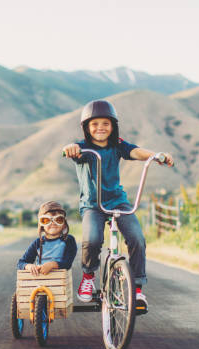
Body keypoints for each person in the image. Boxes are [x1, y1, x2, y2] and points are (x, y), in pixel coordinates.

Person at [62, 100, 174, 312]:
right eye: (94, 124)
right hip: (93, 205)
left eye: (105, 123)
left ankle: (138, 289)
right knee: (92, 239)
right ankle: (88, 276)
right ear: (86, 128)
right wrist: (70, 149)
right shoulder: (83, 148)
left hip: (118, 202)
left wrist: (155, 156)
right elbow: (72, 149)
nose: (100, 128)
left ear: (113, 126)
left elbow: (136, 152)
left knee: (137, 239)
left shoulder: (118, 146)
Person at [17, 201, 77, 276]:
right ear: (41, 225)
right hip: (40, 281)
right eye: (46, 220)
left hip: (60, 280)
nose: (53, 223)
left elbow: (68, 263)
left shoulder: (68, 240)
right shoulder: (38, 242)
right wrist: (28, 266)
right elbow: (21, 262)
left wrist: (53, 265)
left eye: (58, 219)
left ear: (64, 224)